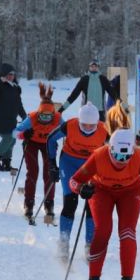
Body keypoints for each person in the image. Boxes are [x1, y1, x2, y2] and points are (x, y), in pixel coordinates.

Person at [69, 129, 140, 280]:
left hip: (130, 192)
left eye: (125, 157)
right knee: (103, 231)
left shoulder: (137, 157)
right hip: (101, 191)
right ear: (110, 149)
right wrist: (81, 189)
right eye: (117, 156)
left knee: (128, 233)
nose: (121, 162)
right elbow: (74, 180)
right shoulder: (99, 156)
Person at [46, 103, 108, 253]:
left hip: (92, 166)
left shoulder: (105, 130)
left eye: (91, 125)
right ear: (79, 121)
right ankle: (64, 242)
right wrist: (52, 164)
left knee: (92, 204)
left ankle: (89, 244)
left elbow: (113, 150)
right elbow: (51, 139)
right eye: (84, 125)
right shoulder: (69, 126)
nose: (87, 128)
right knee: (70, 201)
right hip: (69, 163)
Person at [15, 83, 62, 220]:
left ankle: (49, 204)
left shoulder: (58, 118)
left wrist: (58, 137)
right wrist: (24, 134)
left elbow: (68, 131)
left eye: (49, 117)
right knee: (33, 172)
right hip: (32, 143)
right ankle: (29, 204)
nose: (45, 120)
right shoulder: (32, 117)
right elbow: (14, 133)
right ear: (39, 113)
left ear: (53, 114)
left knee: (49, 173)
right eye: (43, 116)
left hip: (49, 144)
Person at [0, 64, 27, 172]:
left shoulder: (15, 87)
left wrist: (24, 115)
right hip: (0, 119)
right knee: (8, 138)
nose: (11, 76)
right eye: (9, 74)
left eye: (13, 74)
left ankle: (6, 163)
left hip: (11, 119)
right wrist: (1, 81)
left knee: (12, 139)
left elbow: (18, 104)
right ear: (4, 74)